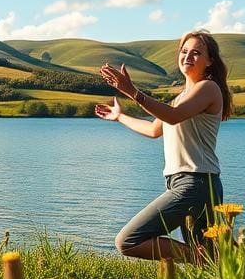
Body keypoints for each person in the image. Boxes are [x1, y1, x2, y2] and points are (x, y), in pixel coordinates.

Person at [96, 30, 233, 261]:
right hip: (190, 184)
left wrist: (132, 92)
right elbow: (153, 130)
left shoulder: (208, 88)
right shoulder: (180, 98)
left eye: (196, 52)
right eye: (184, 51)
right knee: (214, 264)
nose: (188, 56)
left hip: (197, 184)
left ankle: (200, 259)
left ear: (210, 61)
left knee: (128, 240)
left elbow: (173, 116)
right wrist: (120, 116)